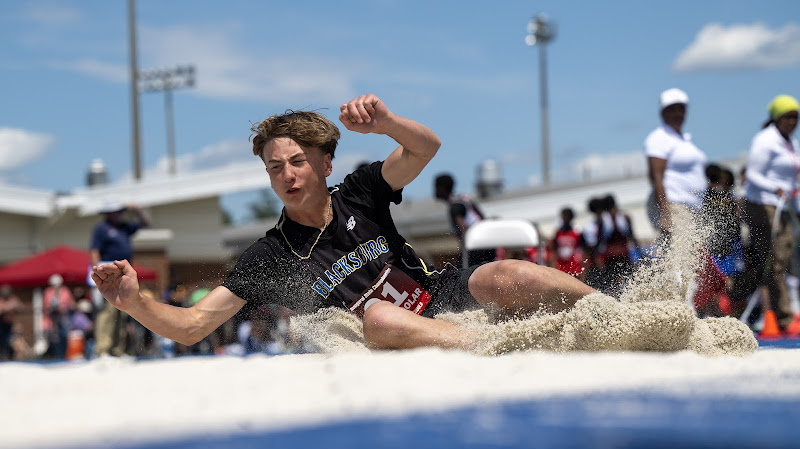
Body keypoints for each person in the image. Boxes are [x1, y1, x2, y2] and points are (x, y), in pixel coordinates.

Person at [93, 93, 618, 352]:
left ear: (324, 163)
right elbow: (191, 328)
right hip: (399, 338)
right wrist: (134, 302)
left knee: (503, 273)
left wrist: (386, 123)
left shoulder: (361, 192)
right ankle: (494, 348)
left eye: (298, 161)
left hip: (438, 299)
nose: (287, 175)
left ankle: (617, 314)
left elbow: (426, 147)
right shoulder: (271, 255)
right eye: (275, 167)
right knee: (377, 319)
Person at [728, 95, 800, 334]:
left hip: (782, 204)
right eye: (787, 117)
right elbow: (753, 175)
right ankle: (783, 317)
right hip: (761, 204)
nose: (792, 121)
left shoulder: (790, 142)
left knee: (785, 257)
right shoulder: (765, 140)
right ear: (776, 118)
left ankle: (777, 308)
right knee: (775, 258)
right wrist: (774, 187)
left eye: (795, 117)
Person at [90, 198, 150, 357]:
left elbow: (145, 224)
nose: (117, 214)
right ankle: (103, 349)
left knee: (123, 310)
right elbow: (95, 251)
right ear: (108, 213)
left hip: (124, 272)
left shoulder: (125, 227)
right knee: (107, 311)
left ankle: (116, 350)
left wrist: (136, 210)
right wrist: (98, 273)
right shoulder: (101, 229)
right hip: (108, 271)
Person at [644, 88, 708, 238]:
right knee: (681, 254)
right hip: (675, 206)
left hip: (693, 206)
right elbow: (656, 177)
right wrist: (666, 213)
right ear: (663, 112)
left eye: (681, 108)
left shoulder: (683, 140)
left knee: (692, 256)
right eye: (671, 109)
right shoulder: (659, 138)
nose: (677, 113)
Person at [434, 173, 494, 266]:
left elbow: (464, 231)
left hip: (478, 245)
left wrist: (463, 256)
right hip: (487, 242)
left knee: (461, 273)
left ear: (441, 188)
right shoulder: (463, 198)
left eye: (436, 187)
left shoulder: (455, 207)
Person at [42, 274, 75, 359]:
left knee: (64, 335)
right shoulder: (48, 292)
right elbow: (45, 306)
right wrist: (49, 309)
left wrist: (64, 308)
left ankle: (64, 355)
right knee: (54, 337)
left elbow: (71, 304)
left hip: (63, 316)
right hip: (52, 317)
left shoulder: (65, 291)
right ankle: (57, 355)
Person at [549, 207, 585, 279]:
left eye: (567, 217)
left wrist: (583, 267)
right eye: (563, 217)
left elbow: (583, 250)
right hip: (561, 264)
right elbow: (554, 249)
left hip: (573, 263)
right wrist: (553, 264)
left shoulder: (577, 232)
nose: (565, 219)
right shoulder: (558, 232)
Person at [0, 284, 22, 361]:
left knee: (7, 339)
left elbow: (19, 307)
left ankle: (8, 355)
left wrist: (11, 306)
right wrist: (8, 307)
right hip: (1, 323)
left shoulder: (13, 299)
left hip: (9, 323)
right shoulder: (1, 300)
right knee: (2, 339)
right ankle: (3, 355)